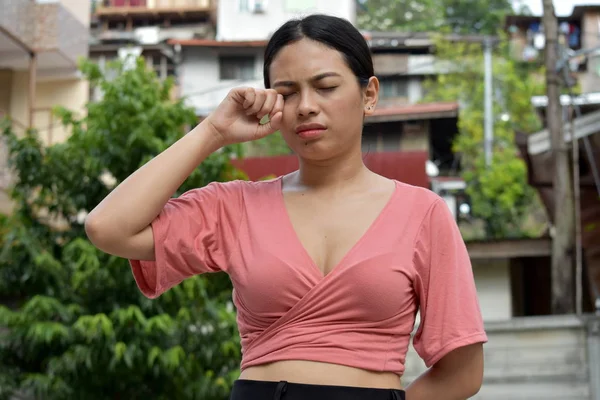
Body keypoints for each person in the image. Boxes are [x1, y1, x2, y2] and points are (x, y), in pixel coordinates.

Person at [85, 14, 487, 400]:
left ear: (369, 95)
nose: (306, 106)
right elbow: (108, 228)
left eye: (326, 86)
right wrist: (213, 131)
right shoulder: (236, 206)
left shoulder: (423, 214)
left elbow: (463, 372)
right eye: (287, 93)